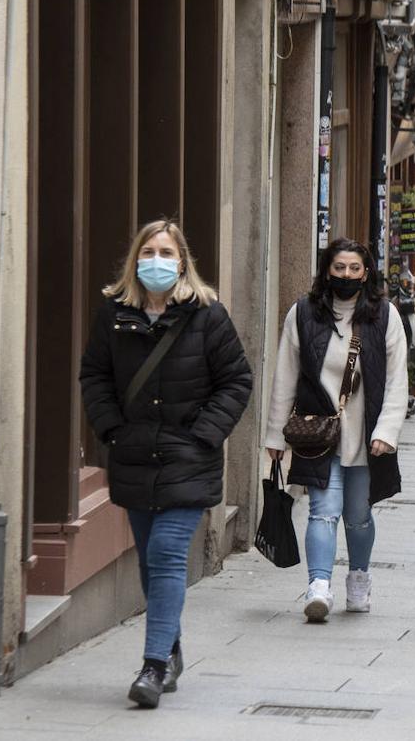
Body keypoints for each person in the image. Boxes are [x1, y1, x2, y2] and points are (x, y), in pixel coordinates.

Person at [79, 219, 253, 708]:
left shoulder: (207, 315)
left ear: (182, 260)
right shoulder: (115, 313)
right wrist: (111, 429)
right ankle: (171, 648)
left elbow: (236, 380)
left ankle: (153, 667)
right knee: (150, 563)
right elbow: (94, 374)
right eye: (149, 251)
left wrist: (204, 435)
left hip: (187, 456)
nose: (157, 260)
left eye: (167, 252)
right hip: (134, 454)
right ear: (136, 257)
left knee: (167, 555)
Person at [264, 238, 409, 621]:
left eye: (354, 269)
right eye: (339, 267)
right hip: (319, 432)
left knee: (358, 514)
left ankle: (358, 578)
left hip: (366, 433)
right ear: (326, 269)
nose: (346, 275)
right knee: (322, 511)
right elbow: (285, 377)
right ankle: (319, 586)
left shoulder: (385, 315)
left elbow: (397, 380)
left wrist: (388, 431)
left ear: (366, 272)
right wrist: (276, 436)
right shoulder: (303, 314)